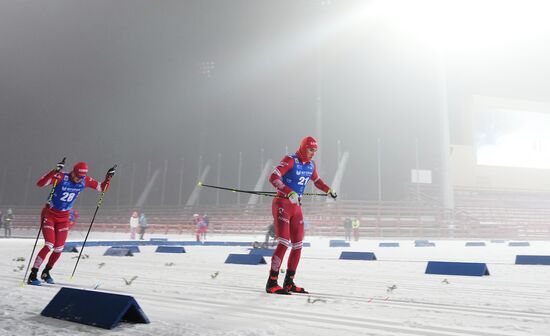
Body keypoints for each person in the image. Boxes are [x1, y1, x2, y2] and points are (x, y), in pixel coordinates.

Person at [265, 136, 337, 294]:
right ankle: (272, 282)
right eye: (311, 150)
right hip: (282, 203)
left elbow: (317, 181)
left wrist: (328, 190)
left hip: (296, 207)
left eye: (315, 151)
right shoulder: (290, 160)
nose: (313, 153)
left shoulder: (311, 165)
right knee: (284, 242)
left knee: (298, 245)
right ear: (304, 147)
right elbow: (273, 177)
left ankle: (289, 282)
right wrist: (288, 191)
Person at [28, 161, 115, 285]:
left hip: (64, 217)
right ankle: (33, 274)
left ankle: (46, 272)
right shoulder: (62, 177)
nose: (79, 180)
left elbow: (102, 188)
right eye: (78, 177)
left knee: (59, 248)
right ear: (73, 172)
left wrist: (108, 178)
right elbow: (40, 184)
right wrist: (54, 171)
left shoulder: (85, 180)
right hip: (50, 214)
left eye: (82, 177)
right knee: (49, 244)